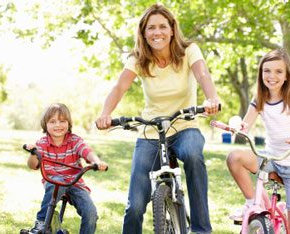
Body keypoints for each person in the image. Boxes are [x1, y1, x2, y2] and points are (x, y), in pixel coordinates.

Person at [95, 3, 220, 234]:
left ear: (172, 29)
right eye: (151, 28)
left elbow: (202, 73)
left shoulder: (189, 50)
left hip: (184, 126)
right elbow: (120, 86)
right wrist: (105, 114)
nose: (157, 32)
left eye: (163, 26)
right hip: (151, 131)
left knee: (193, 155)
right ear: (143, 33)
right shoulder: (139, 59)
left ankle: (202, 230)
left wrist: (211, 98)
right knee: (135, 205)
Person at [226, 49, 290, 233]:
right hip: (271, 160)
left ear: (287, 76)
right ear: (261, 73)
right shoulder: (260, 98)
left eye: (278, 71)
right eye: (267, 71)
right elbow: (246, 125)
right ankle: (252, 202)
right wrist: (238, 128)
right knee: (234, 158)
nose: (271, 76)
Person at [26, 103, 108, 234]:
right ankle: (41, 222)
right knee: (58, 180)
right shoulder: (42, 143)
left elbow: (86, 151)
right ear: (45, 124)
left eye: (62, 121)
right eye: (52, 122)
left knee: (91, 214)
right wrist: (33, 153)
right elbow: (32, 165)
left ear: (68, 123)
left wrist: (97, 162)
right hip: (54, 182)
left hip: (75, 182)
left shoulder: (75, 141)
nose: (58, 125)